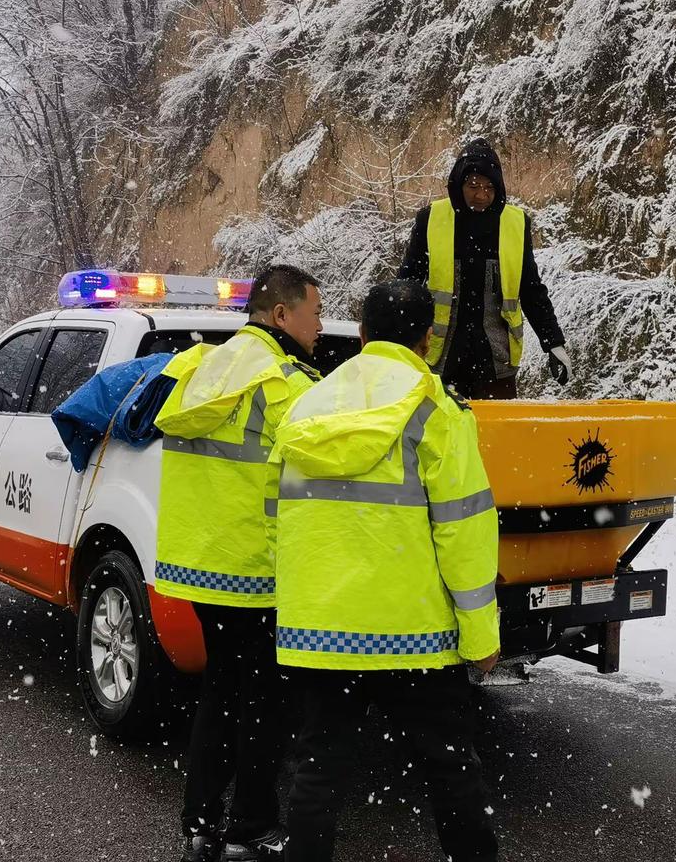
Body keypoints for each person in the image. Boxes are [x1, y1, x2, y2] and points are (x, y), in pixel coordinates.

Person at [266, 278, 501, 862]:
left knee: (318, 769)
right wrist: (481, 637)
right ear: (428, 341)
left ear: (364, 334)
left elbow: (276, 520)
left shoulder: (307, 406)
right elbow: (465, 533)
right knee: (450, 770)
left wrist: (303, 604)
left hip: (322, 633)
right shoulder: (437, 411)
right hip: (413, 634)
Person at [153, 264, 323, 862]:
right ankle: (251, 823)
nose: (320, 326)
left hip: (200, 564)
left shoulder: (201, 366)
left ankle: (199, 822)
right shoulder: (285, 381)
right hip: (257, 566)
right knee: (267, 701)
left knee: (220, 690)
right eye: (314, 313)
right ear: (281, 315)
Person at [397, 137, 569, 398]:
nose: (481, 194)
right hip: (438, 362)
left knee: (495, 436)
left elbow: (531, 290)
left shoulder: (515, 223)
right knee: (440, 435)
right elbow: (407, 287)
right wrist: (395, 342)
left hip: (496, 363)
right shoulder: (431, 219)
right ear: (458, 185)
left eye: (490, 187)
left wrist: (553, 343)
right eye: (473, 185)